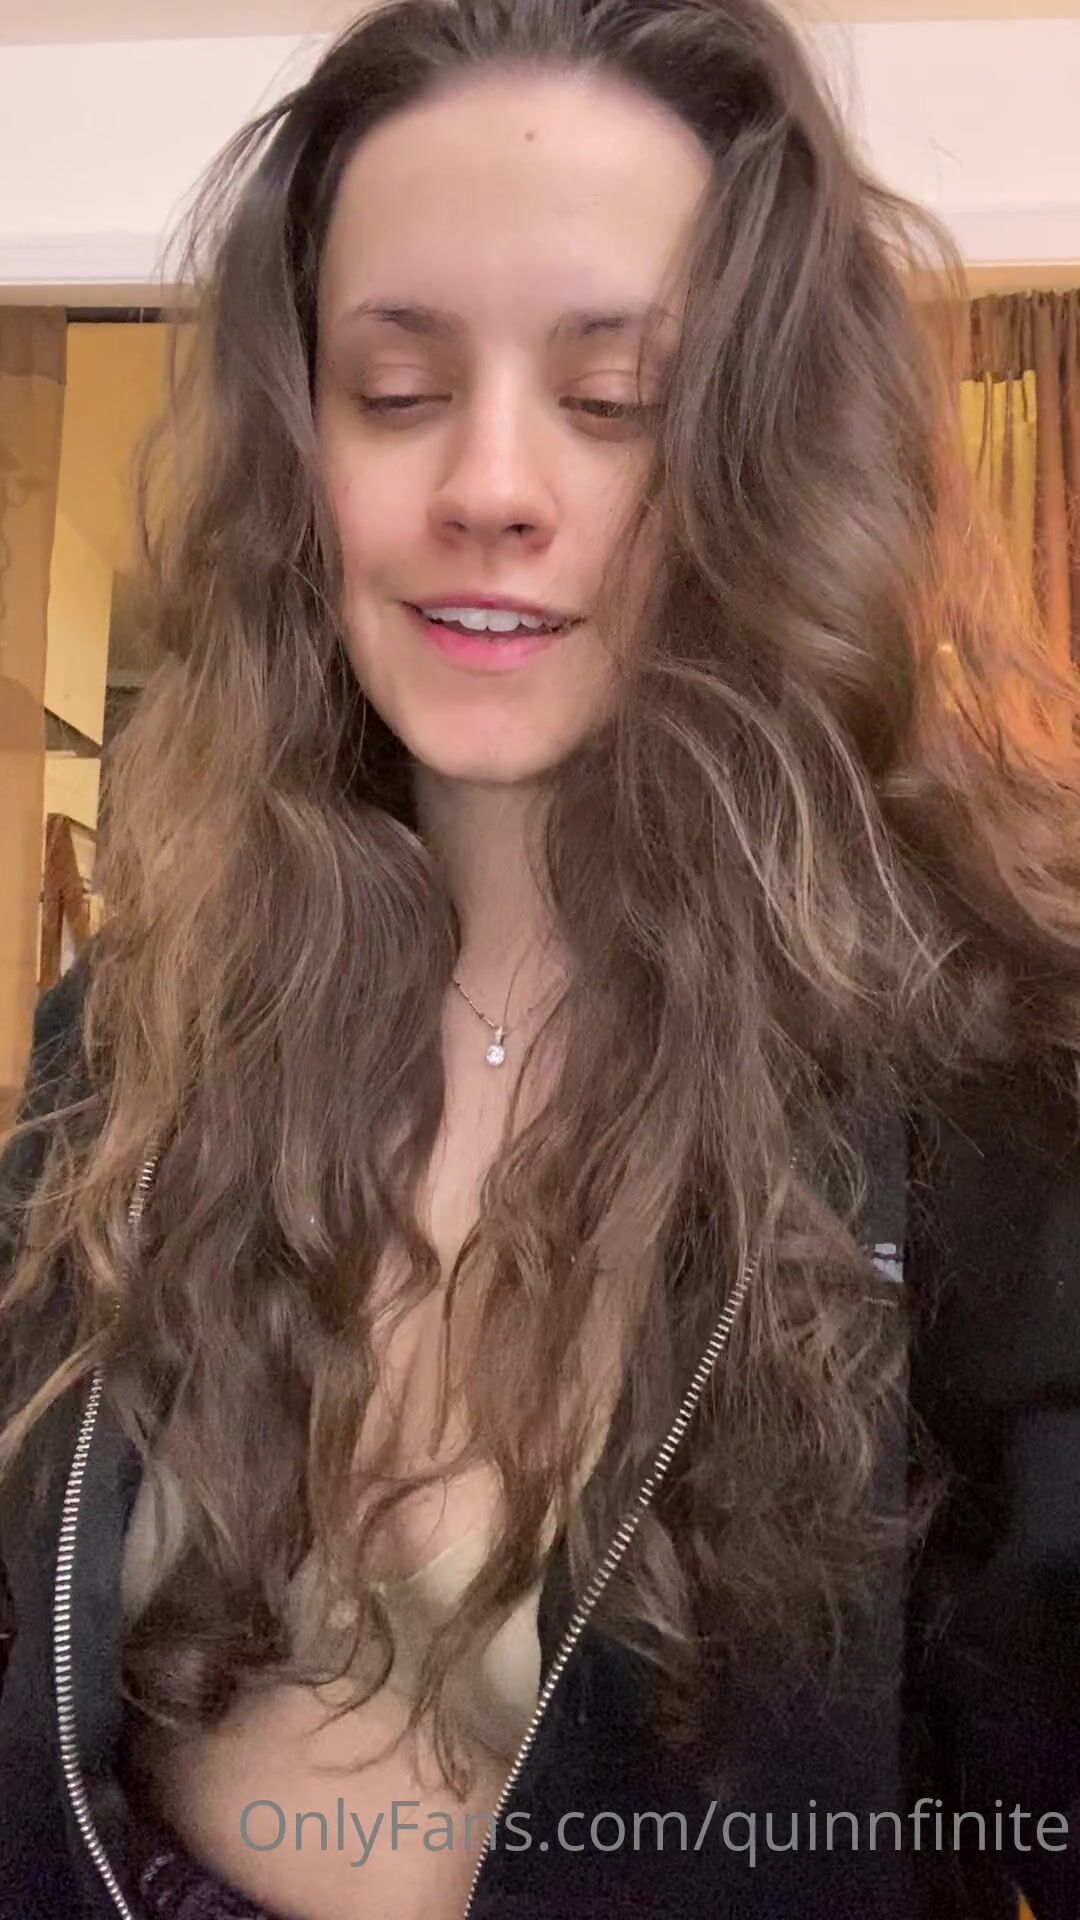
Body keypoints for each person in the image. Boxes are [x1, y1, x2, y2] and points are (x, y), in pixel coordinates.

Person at [2, 0, 1080, 1915]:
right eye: (395, 389)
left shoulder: (981, 1097)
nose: (489, 484)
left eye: (617, 399)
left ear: (763, 455)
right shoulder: (134, 1040)